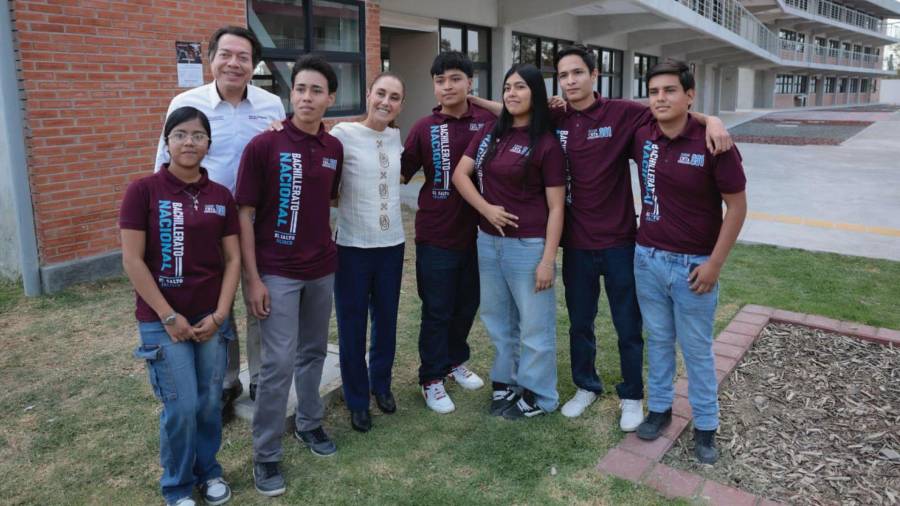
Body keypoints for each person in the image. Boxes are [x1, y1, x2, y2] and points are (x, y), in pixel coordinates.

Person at [472, 45, 732, 429]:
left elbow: (671, 109)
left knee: (628, 323)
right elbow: (512, 110)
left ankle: (631, 395)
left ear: (595, 76)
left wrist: (713, 121)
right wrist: (473, 99)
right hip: (575, 243)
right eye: (563, 75)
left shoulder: (621, 113)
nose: (571, 81)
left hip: (621, 241)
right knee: (580, 321)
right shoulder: (555, 116)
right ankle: (586, 386)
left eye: (578, 73)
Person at [155, 26, 285, 409]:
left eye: (243, 57)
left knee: (261, 299)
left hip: (259, 222)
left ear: (254, 64)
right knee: (218, 303)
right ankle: (226, 381)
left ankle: (262, 378)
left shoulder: (270, 105)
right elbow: (164, 164)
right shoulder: (188, 102)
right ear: (211, 58)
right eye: (226, 54)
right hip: (205, 224)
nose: (234, 63)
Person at [235, 55, 344, 497]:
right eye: (300, 88)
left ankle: (309, 424)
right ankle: (266, 455)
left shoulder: (333, 148)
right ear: (290, 94)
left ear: (330, 99)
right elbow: (244, 214)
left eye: (316, 90)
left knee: (313, 351)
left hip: (322, 268)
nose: (306, 97)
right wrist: (252, 278)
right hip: (276, 272)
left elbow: (329, 202)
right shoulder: (264, 145)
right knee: (277, 364)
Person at [630, 59, 747, 464]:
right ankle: (660, 410)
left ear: (689, 95)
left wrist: (715, 263)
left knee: (696, 349)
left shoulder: (714, 143)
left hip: (694, 266)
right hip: (647, 259)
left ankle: (706, 427)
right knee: (659, 341)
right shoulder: (642, 132)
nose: (660, 98)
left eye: (670, 91)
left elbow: (736, 207)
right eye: (654, 92)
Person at [123, 106, 241, 506]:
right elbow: (132, 261)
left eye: (198, 135)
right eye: (180, 135)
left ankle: (208, 472)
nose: (189, 142)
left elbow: (233, 260)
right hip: (162, 321)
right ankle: (176, 486)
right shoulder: (143, 191)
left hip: (211, 318)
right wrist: (168, 316)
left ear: (209, 144)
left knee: (209, 403)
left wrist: (221, 315)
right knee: (182, 405)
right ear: (167, 142)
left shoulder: (220, 197)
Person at [452, 63, 566, 420]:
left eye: (520, 87)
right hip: (489, 244)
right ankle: (506, 381)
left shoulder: (546, 143)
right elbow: (460, 174)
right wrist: (486, 209)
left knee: (534, 325)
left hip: (528, 246)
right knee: (498, 320)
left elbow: (557, 207)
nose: (512, 93)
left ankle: (540, 395)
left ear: (535, 94)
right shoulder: (490, 133)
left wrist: (548, 259)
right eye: (507, 88)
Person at [400, 51, 494, 414]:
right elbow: (402, 173)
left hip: (481, 234)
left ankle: (455, 361)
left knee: (467, 305)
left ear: (470, 83)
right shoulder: (423, 127)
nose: (447, 86)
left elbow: (526, 112)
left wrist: (477, 101)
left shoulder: (487, 120)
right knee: (437, 309)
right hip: (437, 234)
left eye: (456, 78)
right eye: (440, 81)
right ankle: (431, 378)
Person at [330, 72, 406, 432]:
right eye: (381, 94)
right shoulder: (342, 135)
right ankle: (357, 399)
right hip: (352, 247)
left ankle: (382, 384)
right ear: (368, 94)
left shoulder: (396, 137)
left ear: (400, 105)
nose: (386, 102)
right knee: (352, 325)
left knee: (386, 322)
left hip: (392, 246)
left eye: (394, 97)